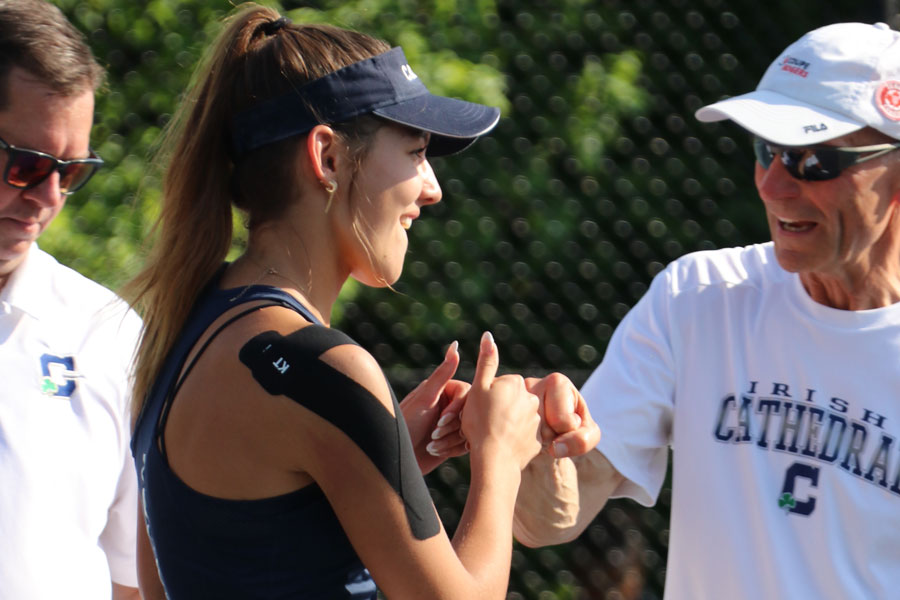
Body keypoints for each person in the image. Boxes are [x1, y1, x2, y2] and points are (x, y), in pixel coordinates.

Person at [124, 4, 569, 598]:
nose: (433, 189)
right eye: (415, 153)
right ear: (327, 158)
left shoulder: (182, 328)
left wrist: (389, 450)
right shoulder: (321, 370)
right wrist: (501, 453)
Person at [513, 21, 900, 600]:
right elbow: (548, 520)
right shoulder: (698, 296)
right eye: (766, 150)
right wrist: (538, 444)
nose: (773, 186)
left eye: (812, 160)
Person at [0, 1, 141, 599]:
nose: (49, 196)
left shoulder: (106, 333)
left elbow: (134, 577)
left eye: (73, 171)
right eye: (27, 166)